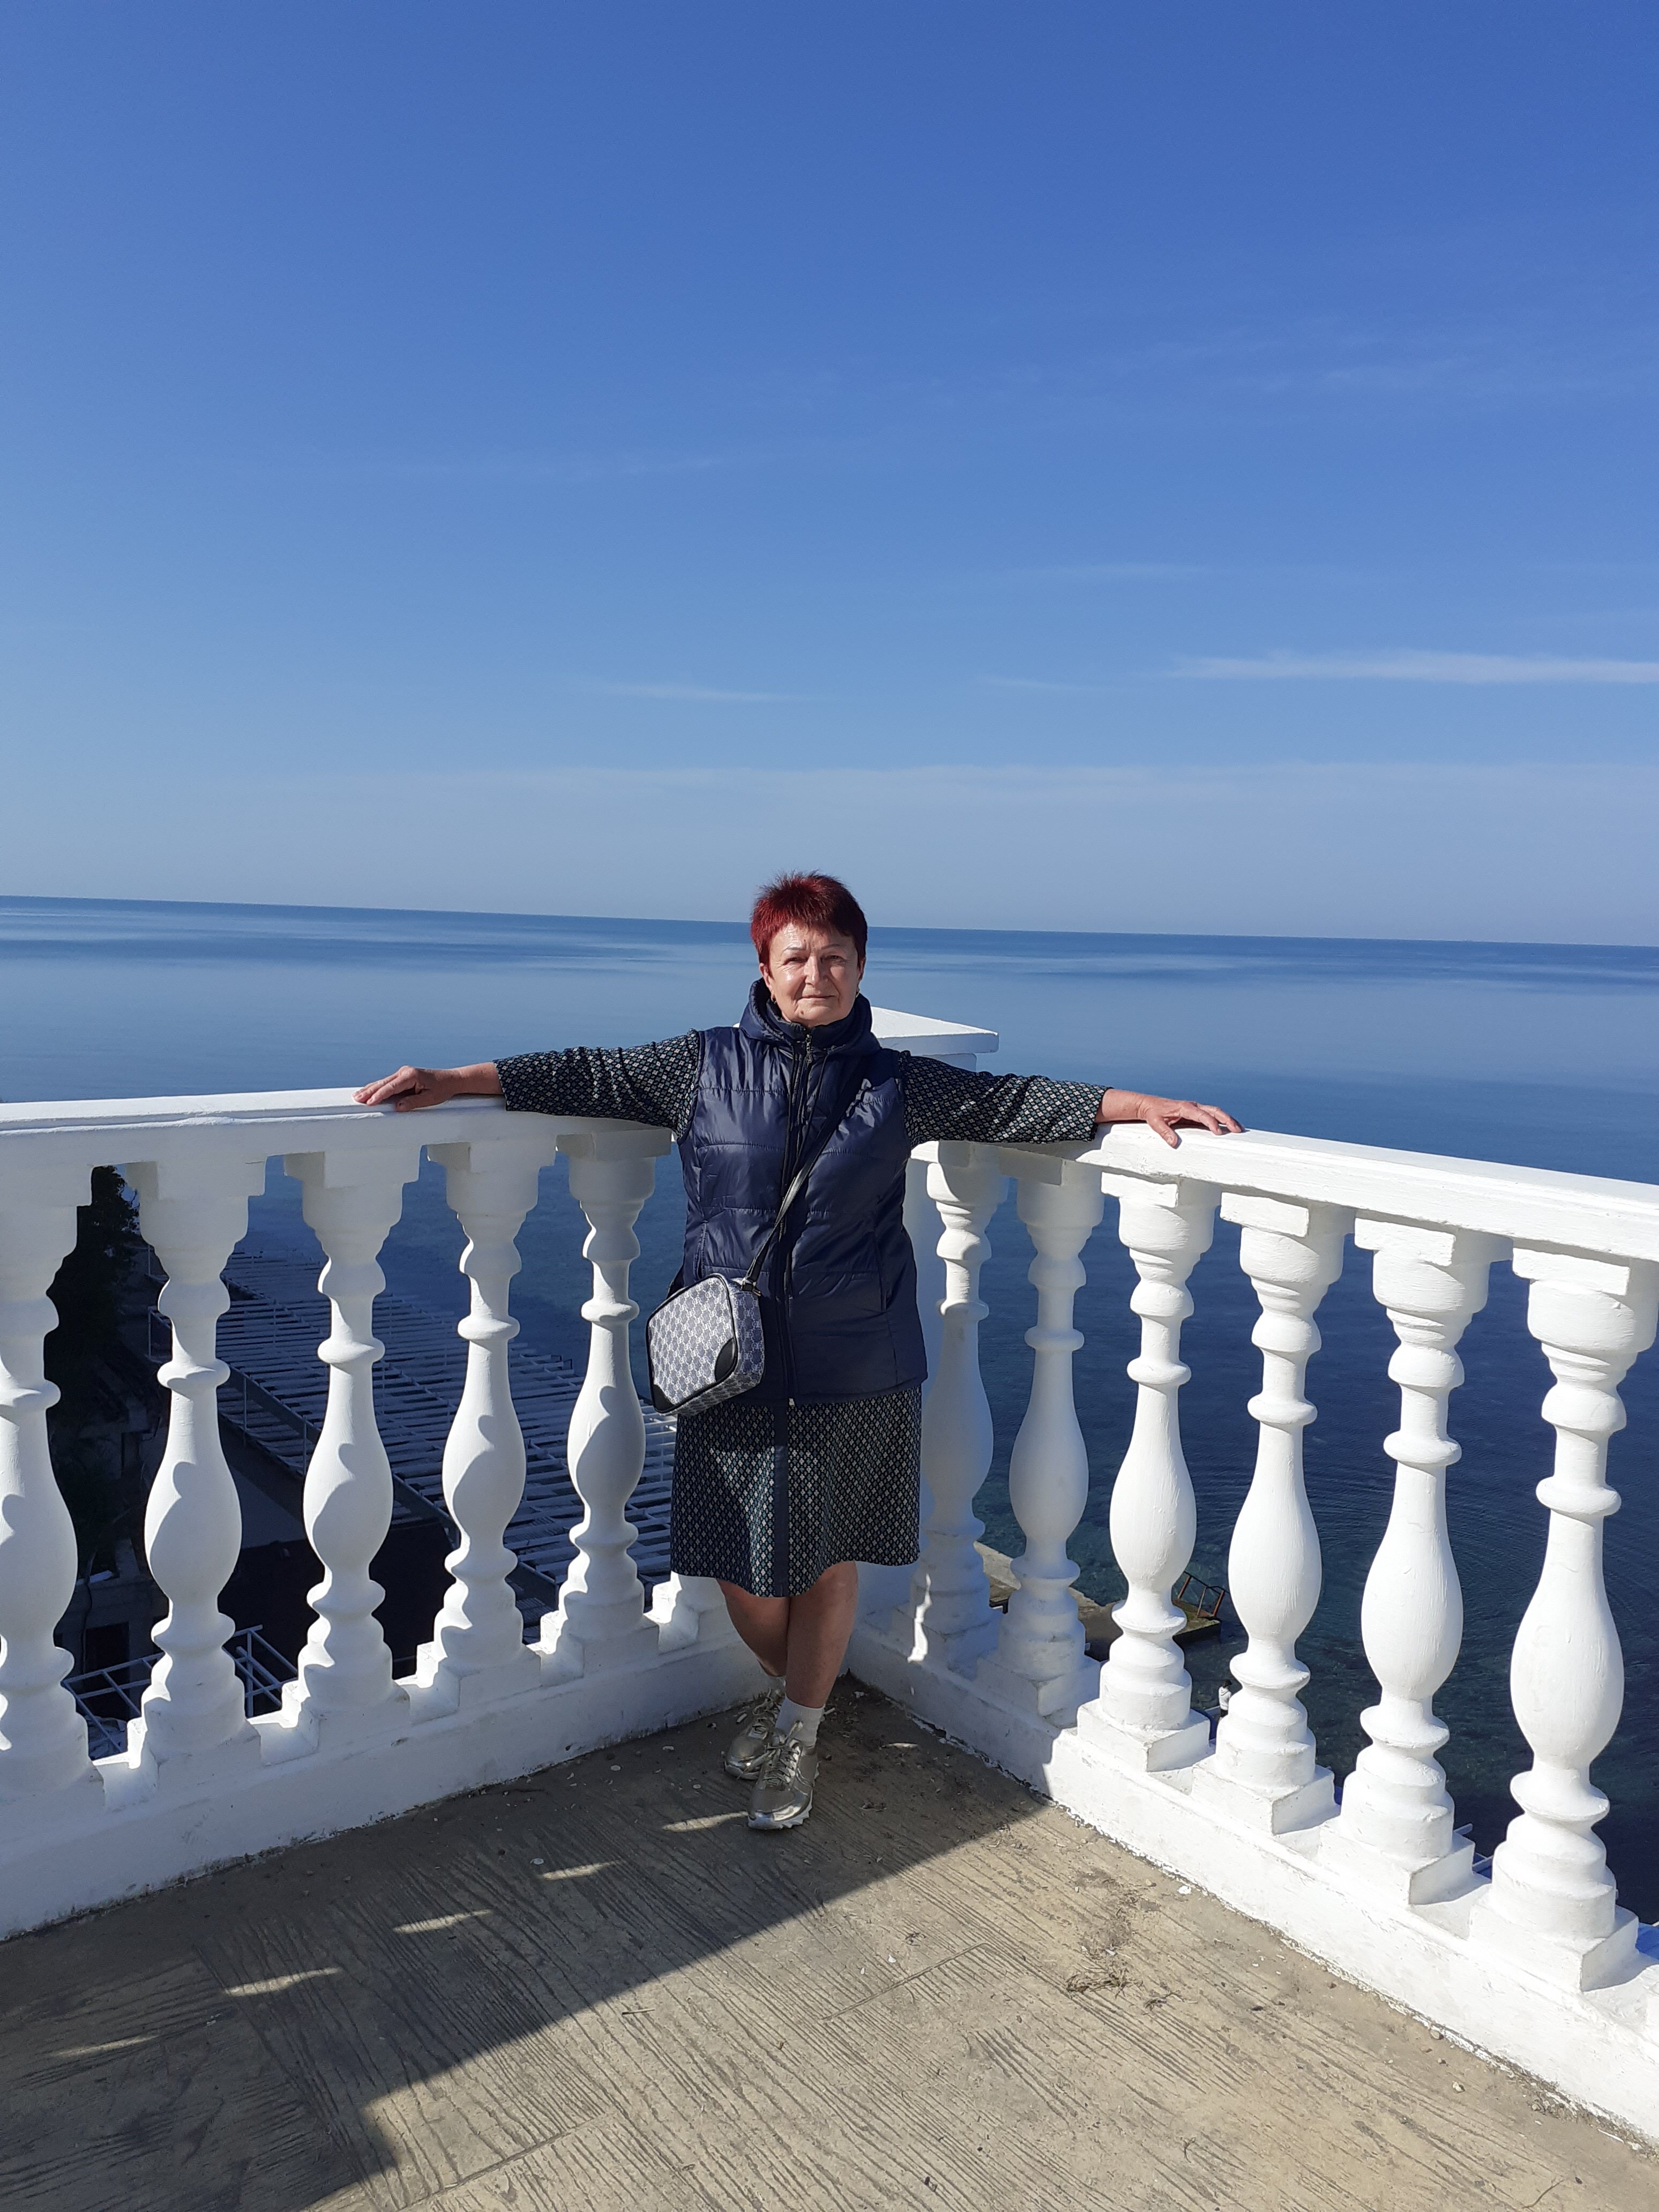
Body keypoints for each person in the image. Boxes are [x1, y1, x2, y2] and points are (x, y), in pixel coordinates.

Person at [355, 872, 1240, 1832]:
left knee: (824, 1563)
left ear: (861, 966)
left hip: (855, 1363)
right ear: (765, 968)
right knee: (739, 1569)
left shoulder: (900, 1082)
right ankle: (797, 1696)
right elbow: (584, 1074)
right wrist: (455, 1080)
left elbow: (1012, 1102)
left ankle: (800, 1730)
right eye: (797, 957)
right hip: (728, 1362)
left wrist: (1136, 1103)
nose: (817, 973)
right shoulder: (701, 1064)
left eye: (835, 957)